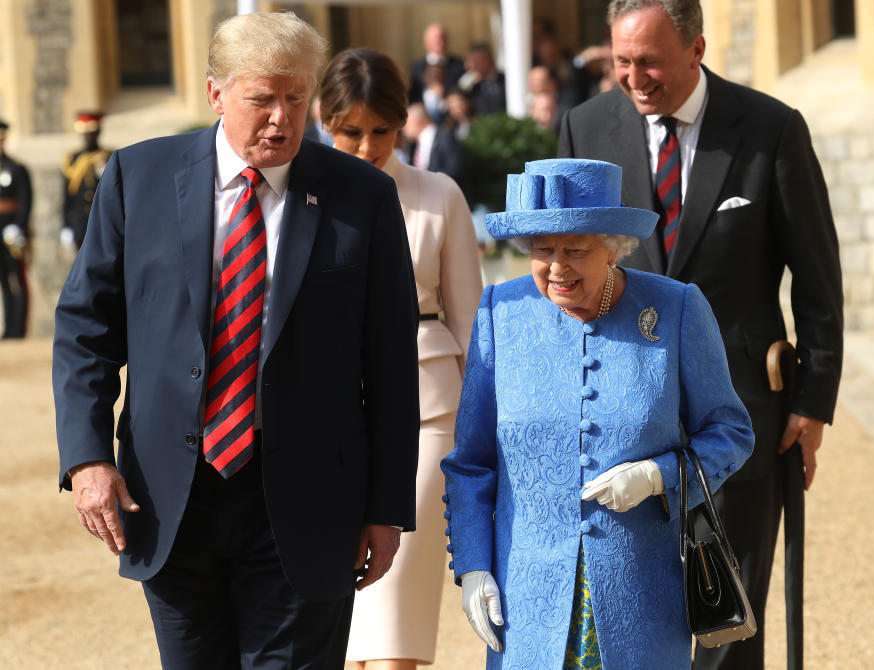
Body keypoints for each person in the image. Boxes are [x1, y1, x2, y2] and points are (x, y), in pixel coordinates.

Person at [52, 12, 420, 669]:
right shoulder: (138, 178)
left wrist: (387, 508)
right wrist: (86, 458)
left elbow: (390, 362)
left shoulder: (360, 196)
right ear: (216, 93)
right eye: (261, 98)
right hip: (169, 500)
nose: (281, 117)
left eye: (296, 98)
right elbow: (87, 327)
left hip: (310, 506)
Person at [557, 2, 844, 669]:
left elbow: (818, 278)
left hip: (741, 413)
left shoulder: (772, 129)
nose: (634, 77)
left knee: (726, 619)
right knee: (629, 612)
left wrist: (813, 402)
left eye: (650, 61)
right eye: (622, 61)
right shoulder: (585, 125)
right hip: (621, 414)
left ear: (697, 49)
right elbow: (559, 266)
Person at [441, 158, 754, 669]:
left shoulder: (675, 309)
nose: (557, 267)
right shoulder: (501, 311)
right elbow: (471, 462)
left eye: (576, 250)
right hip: (528, 599)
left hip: (643, 596)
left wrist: (658, 476)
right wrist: (473, 565)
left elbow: (731, 432)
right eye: (542, 250)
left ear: (614, 247)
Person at [319, 47, 484, 670]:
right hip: (323, 416)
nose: (366, 146)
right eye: (350, 132)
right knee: (337, 615)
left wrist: (485, 427)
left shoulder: (439, 194)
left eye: (381, 131)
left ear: (404, 121)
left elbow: (469, 321)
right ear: (322, 120)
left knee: (396, 604)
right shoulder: (296, 197)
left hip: (428, 414)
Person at [61, 111, 112, 253]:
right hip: (79, 222)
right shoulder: (72, 158)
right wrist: (65, 225)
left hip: (103, 220)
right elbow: (67, 194)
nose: (88, 136)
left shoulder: (109, 157)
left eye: (91, 132)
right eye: (85, 133)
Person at [0, 119, 32, 339]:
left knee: (17, 279)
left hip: (12, 229)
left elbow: (26, 199)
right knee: (3, 280)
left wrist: (18, 226)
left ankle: (18, 329)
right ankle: (8, 328)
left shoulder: (16, 167)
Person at [403, 102, 463, 183]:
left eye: (406, 124)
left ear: (416, 121)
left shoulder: (445, 137)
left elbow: (454, 170)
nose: (404, 130)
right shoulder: (414, 146)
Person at [409, 23, 465, 106]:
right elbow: (413, 96)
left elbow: (462, 89)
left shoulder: (459, 65)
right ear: (426, 42)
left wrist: (445, 94)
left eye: (444, 38)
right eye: (437, 39)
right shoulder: (416, 68)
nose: (441, 43)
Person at [460, 44, 506, 118]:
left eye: (478, 62)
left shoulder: (504, 80)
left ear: (489, 60)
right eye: (473, 62)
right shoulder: (474, 86)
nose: (474, 66)